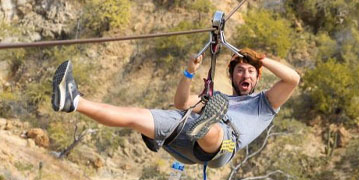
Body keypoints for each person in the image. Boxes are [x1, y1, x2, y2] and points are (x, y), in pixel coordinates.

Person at [51, 48, 300, 168]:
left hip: (222, 147)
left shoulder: (265, 103)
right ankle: (74, 101)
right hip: (186, 135)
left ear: (257, 78)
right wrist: (189, 72)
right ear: (233, 77)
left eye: (250, 72)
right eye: (240, 71)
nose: (245, 74)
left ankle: (204, 128)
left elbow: (293, 80)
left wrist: (262, 60)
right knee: (136, 116)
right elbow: (182, 103)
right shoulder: (219, 97)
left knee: (215, 129)